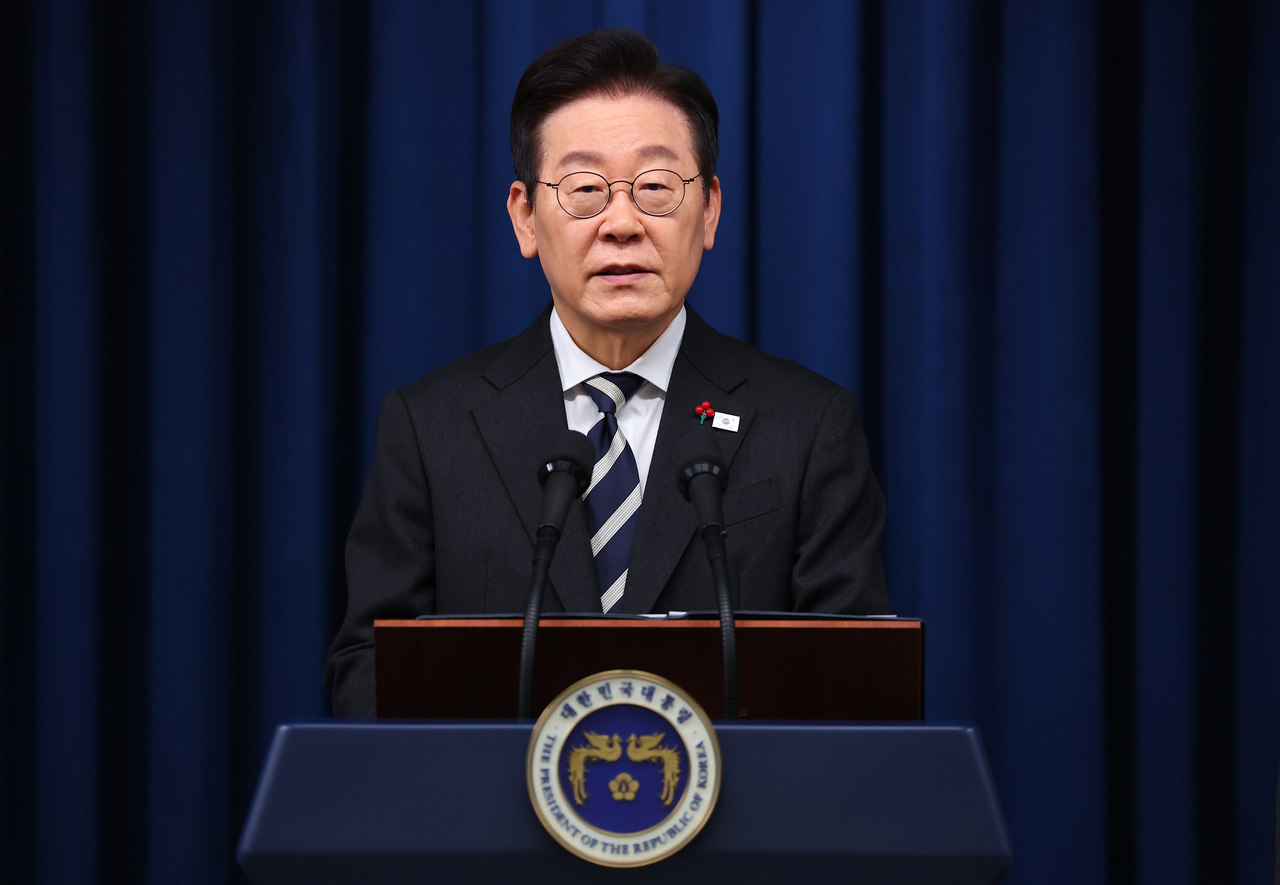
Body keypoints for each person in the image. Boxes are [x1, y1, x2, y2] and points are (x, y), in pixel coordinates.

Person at [325, 29, 889, 717]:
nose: (622, 223)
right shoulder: (430, 427)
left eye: (654, 187)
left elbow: (858, 688)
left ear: (708, 210)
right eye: (585, 189)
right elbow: (368, 675)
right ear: (526, 217)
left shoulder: (807, 425)